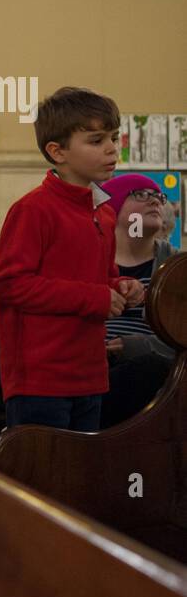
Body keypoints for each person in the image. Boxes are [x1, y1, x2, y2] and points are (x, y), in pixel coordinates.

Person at [0, 88, 144, 432]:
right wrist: (95, 298)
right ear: (57, 151)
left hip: (89, 376)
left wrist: (121, 286)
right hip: (41, 381)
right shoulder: (33, 210)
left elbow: (98, 279)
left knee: (78, 479)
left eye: (113, 137)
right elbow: (8, 284)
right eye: (95, 140)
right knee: (42, 480)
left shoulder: (103, 213)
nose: (111, 148)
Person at [99, 173, 176, 427]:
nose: (155, 201)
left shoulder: (176, 267)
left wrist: (142, 345)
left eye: (158, 197)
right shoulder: (90, 259)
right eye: (141, 194)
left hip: (154, 372)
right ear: (114, 207)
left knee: (149, 368)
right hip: (91, 365)